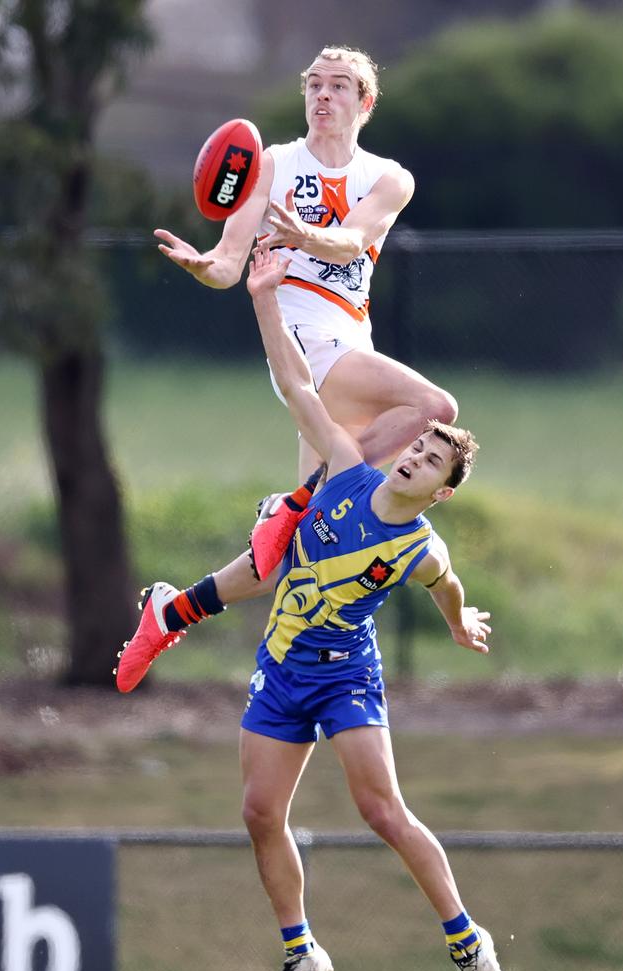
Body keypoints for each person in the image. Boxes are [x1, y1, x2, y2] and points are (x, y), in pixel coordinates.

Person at [118, 243, 509, 971]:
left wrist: (463, 626)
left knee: (382, 812)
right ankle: (303, 956)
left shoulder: (419, 548)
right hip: (282, 665)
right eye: (417, 447)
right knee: (260, 812)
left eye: (431, 462)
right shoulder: (344, 469)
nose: (415, 459)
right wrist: (264, 295)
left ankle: (471, 947)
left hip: (345, 673)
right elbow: (298, 383)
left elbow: (449, 586)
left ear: (441, 492)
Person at [153, 45, 459, 588]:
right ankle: (300, 500)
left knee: (307, 557)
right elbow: (229, 263)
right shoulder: (272, 163)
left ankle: (175, 608)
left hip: (350, 341)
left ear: (364, 104)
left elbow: (351, 241)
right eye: (314, 83)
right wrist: (204, 267)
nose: (322, 93)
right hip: (299, 341)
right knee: (434, 406)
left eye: (339, 85)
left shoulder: (389, 178)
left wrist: (303, 234)